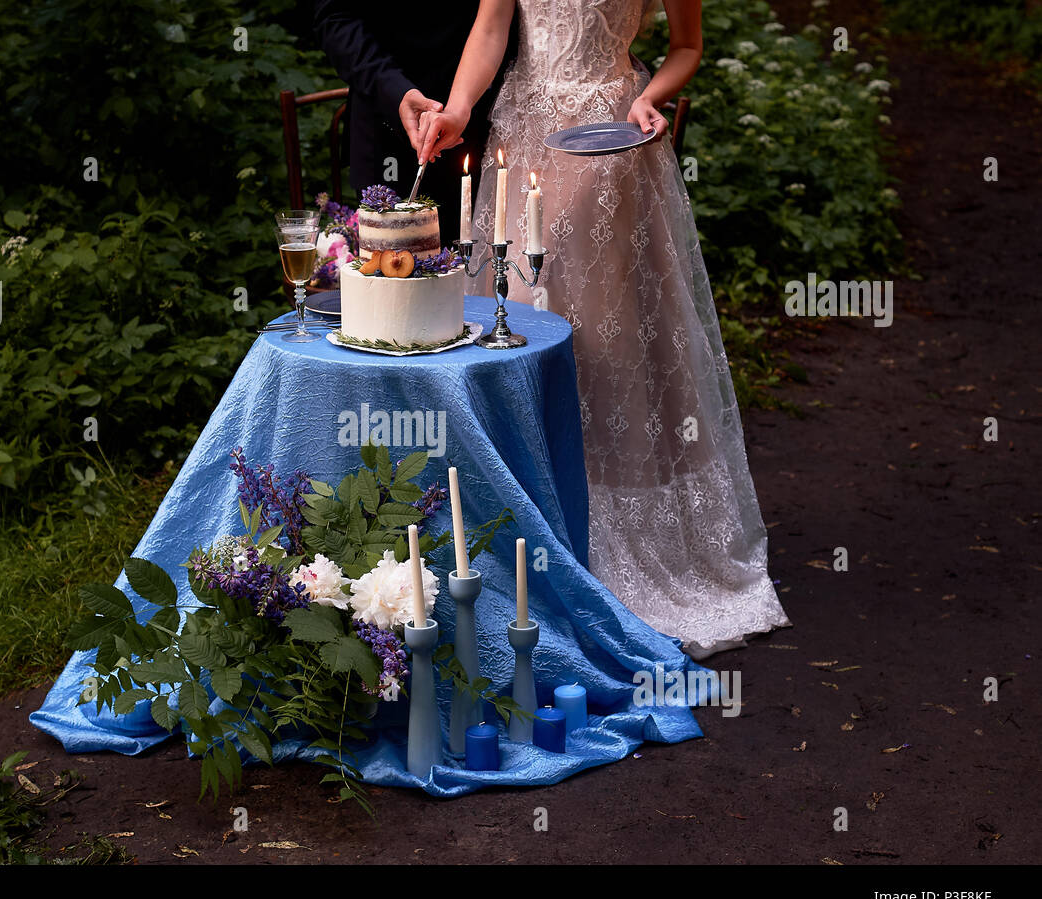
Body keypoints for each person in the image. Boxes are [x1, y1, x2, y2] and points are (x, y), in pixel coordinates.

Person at [417, 0, 789, 657]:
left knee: (597, 341)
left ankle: (599, 540)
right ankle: (514, 532)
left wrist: (651, 99)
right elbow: (492, 24)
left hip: (608, 141)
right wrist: (459, 108)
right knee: (512, 323)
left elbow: (687, 46)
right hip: (518, 130)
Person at [312, 0, 515, 239]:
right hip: (385, 133)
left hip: (488, 129)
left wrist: (460, 106)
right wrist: (394, 92)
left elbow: (493, 26)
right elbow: (335, 18)